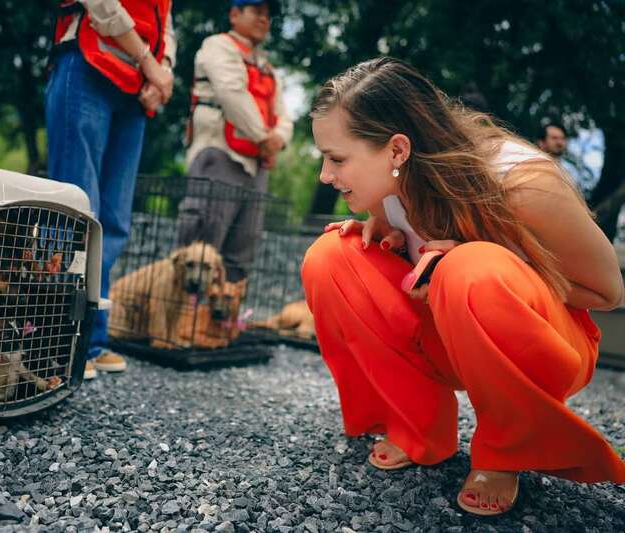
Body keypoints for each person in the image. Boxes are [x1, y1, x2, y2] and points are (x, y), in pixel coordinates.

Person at [303, 57, 625, 516]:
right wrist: (392, 244)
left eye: (337, 159)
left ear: (397, 150)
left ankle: (508, 449)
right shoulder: (391, 187)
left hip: (547, 341)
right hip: (450, 332)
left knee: (471, 267)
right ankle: (416, 424)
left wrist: (482, 255)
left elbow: (609, 292)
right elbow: (413, 264)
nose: (325, 176)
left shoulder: (523, 183)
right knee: (331, 256)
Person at [46, 0, 177, 379]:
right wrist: (149, 64)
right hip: (87, 63)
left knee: (114, 220)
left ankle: (93, 338)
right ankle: (60, 341)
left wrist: (162, 72)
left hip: (134, 86)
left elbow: (166, 24)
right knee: (75, 210)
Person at [177, 0, 293, 284]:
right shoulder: (218, 46)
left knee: (243, 246)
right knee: (202, 240)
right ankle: (180, 322)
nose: (264, 19)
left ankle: (222, 324)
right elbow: (231, 93)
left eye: (268, 15)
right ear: (234, 14)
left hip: (255, 163)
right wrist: (264, 138)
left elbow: (283, 114)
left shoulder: (268, 67)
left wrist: (278, 138)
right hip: (220, 152)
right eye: (257, 11)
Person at [536, 122, 598, 200]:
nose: (559, 142)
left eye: (562, 138)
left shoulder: (570, 170)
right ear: (541, 143)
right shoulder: (531, 167)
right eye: (554, 138)